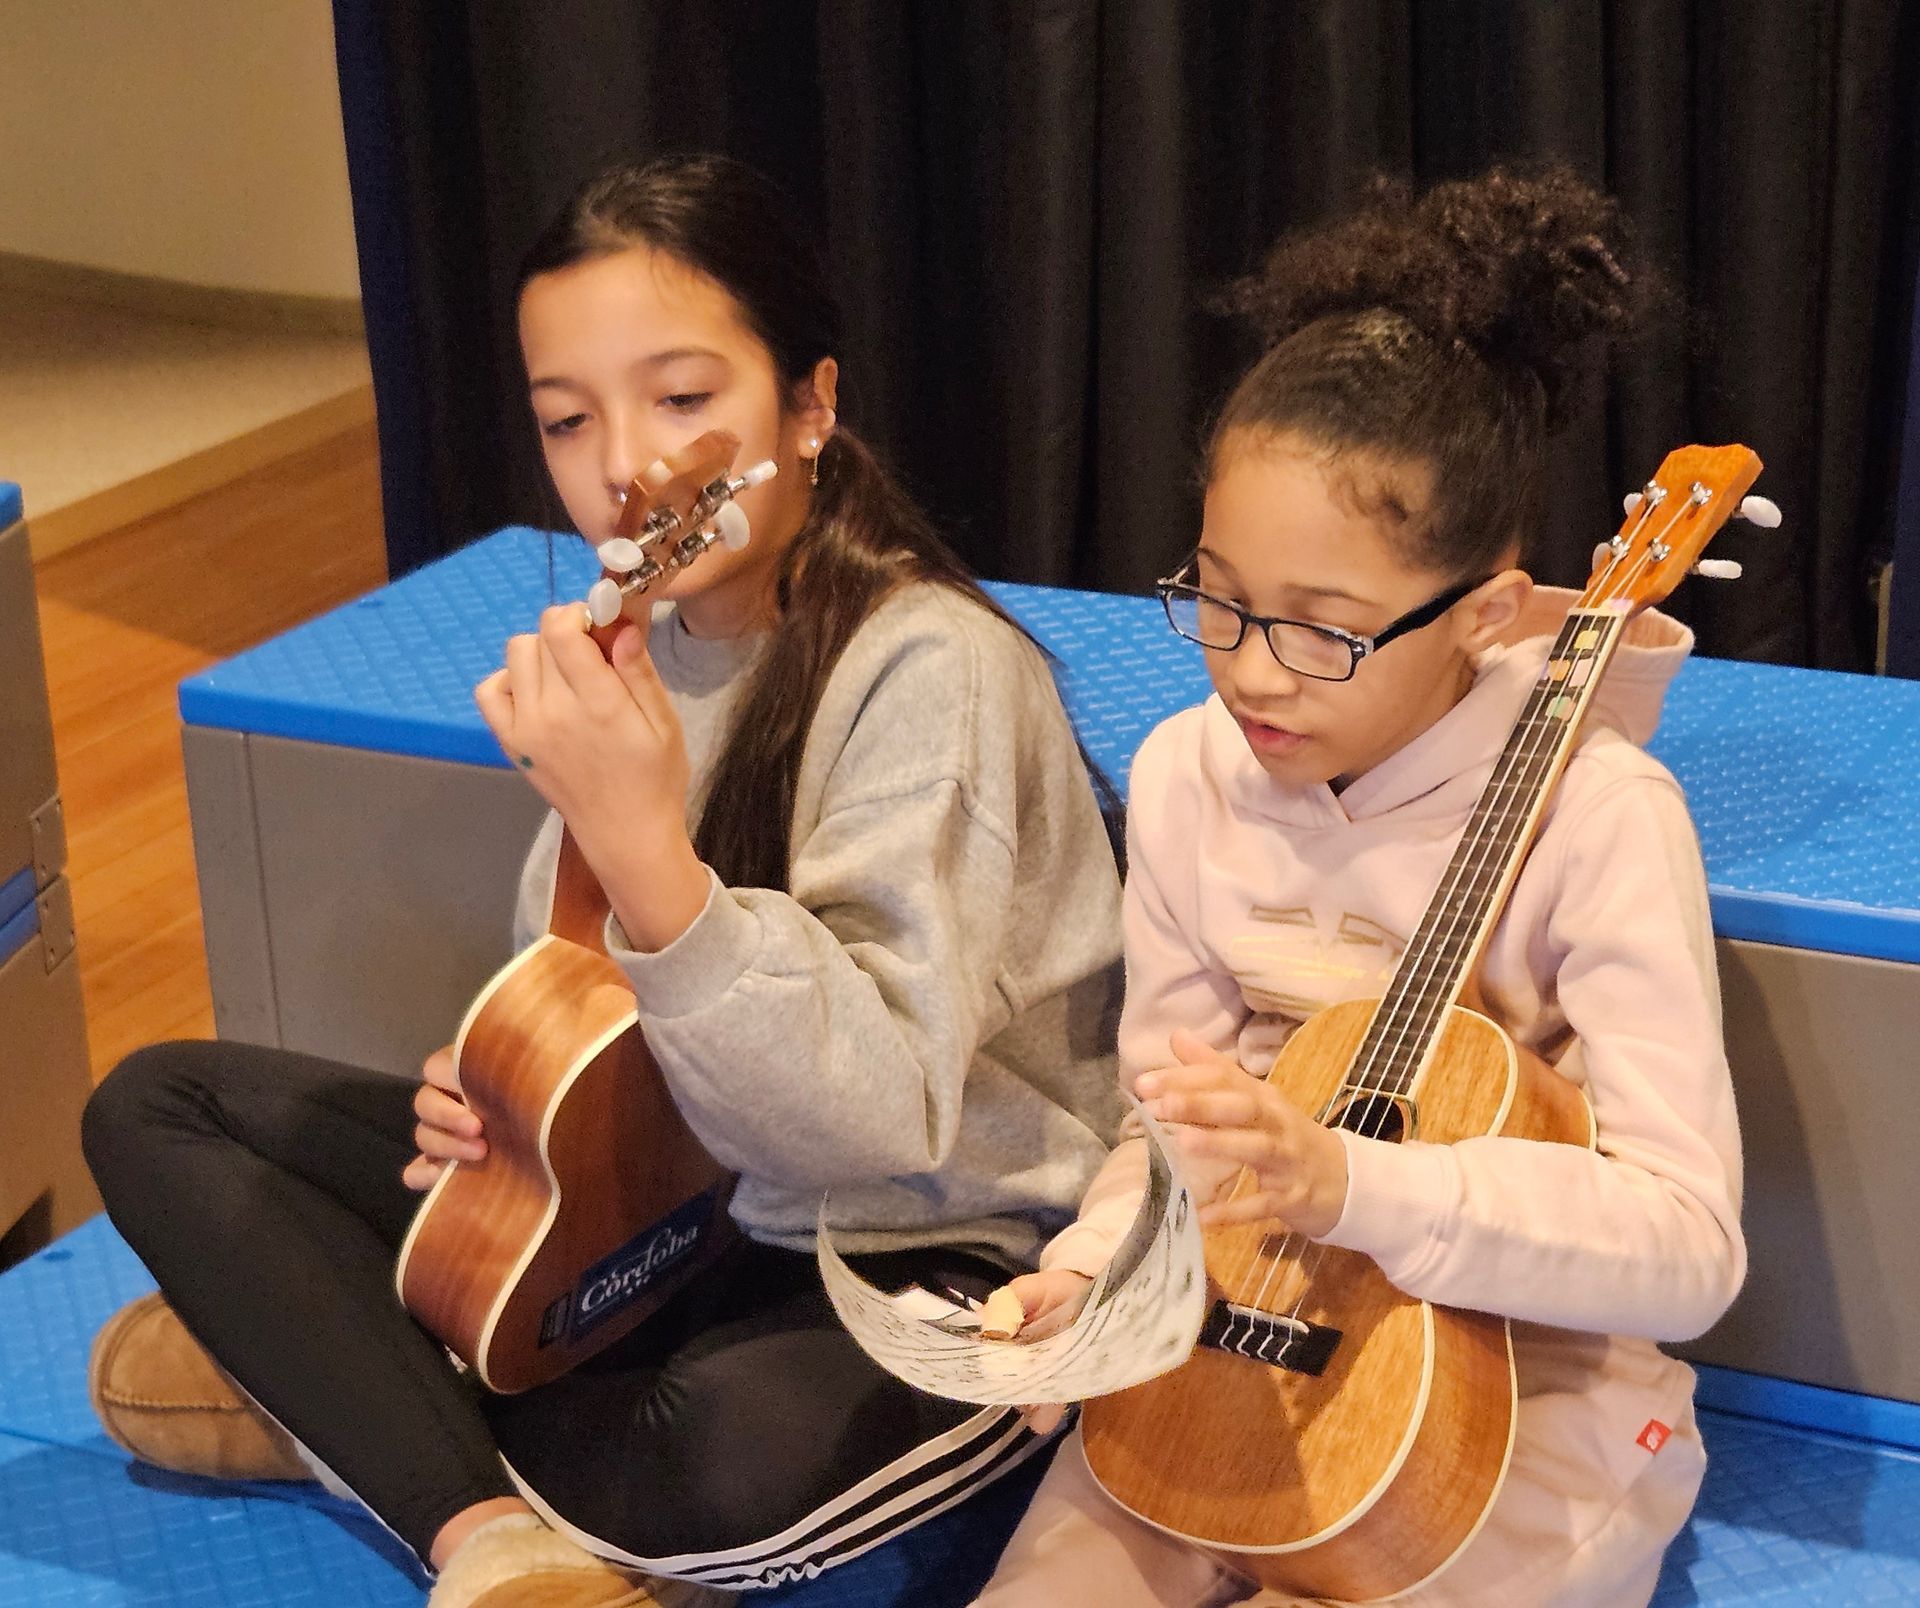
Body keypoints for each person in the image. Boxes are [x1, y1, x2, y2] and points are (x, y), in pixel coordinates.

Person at [81, 153, 1125, 1608]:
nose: (623, 463)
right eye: (568, 419)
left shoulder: (931, 669)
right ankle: (486, 1540)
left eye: (685, 401)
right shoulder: (645, 643)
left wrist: (648, 851)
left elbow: (870, 1123)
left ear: (810, 407)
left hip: (906, 1245)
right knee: (155, 1105)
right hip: (662, 1211)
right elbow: (581, 1012)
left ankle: (353, 1399)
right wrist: (490, 1085)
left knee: (693, 1472)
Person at [971, 168, 1746, 1608]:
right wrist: (1093, 1275)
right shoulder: (1193, 772)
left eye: (1325, 632)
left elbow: (1690, 1250)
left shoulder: (1606, 816)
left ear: (1492, 610)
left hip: (1539, 1378)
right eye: (1215, 596)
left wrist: (1353, 1181)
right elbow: (1173, 1121)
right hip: (1238, 1323)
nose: (1252, 668)